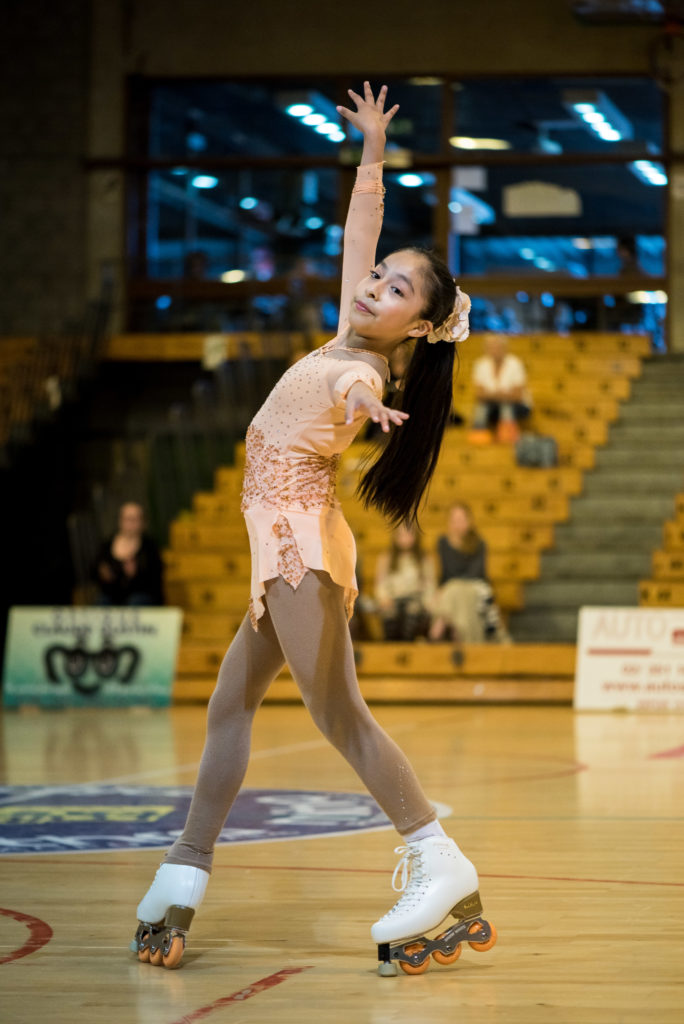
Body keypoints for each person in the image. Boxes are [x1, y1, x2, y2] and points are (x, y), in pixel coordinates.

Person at [131, 83, 495, 976]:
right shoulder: (347, 326)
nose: (375, 286)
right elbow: (357, 235)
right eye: (379, 279)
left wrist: (371, 405)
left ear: (417, 328)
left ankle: (436, 855)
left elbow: (353, 391)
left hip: (297, 540)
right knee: (230, 706)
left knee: (336, 710)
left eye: (397, 289)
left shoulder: (361, 366)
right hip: (285, 543)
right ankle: (185, 870)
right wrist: (371, 151)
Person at [429, 503, 509, 644]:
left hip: (475, 588)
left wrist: (453, 585)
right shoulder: (443, 543)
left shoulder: (479, 543)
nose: (458, 524)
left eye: (461, 520)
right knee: (451, 593)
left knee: (455, 591)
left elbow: (477, 573)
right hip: (452, 591)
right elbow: (446, 572)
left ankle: (440, 627)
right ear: (449, 523)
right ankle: (456, 633)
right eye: (454, 520)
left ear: (469, 521)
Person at [93, 502, 163, 606]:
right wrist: (103, 573)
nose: (131, 524)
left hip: (140, 595)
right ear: (120, 521)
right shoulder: (108, 544)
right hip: (113, 594)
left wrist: (136, 574)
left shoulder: (149, 546)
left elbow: (155, 578)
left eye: (135, 519)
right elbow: (94, 569)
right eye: (127, 519)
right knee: (102, 602)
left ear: (143, 522)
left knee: (135, 602)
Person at [374, 523, 435, 641]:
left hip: (415, 601)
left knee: (412, 611)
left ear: (415, 536)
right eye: (401, 534)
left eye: (408, 533)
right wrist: (384, 598)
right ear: (395, 536)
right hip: (393, 600)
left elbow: (429, 587)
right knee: (389, 614)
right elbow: (381, 585)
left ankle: (408, 647)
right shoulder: (386, 559)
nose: (405, 538)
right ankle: (391, 649)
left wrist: (427, 603)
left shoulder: (424, 560)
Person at [468, 334, 532, 445]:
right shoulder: (481, 364)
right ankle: (478, 438)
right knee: (481, 409)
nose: (494, 350)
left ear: (504, 348)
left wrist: (492, 394)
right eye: (491, 347)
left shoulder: (514, 364)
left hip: (517, 406)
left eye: (497, 347)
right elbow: (479, 394)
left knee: (506, 407)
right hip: (491, 406)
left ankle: (507, 436)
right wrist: (501, 394)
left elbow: (517, 396)